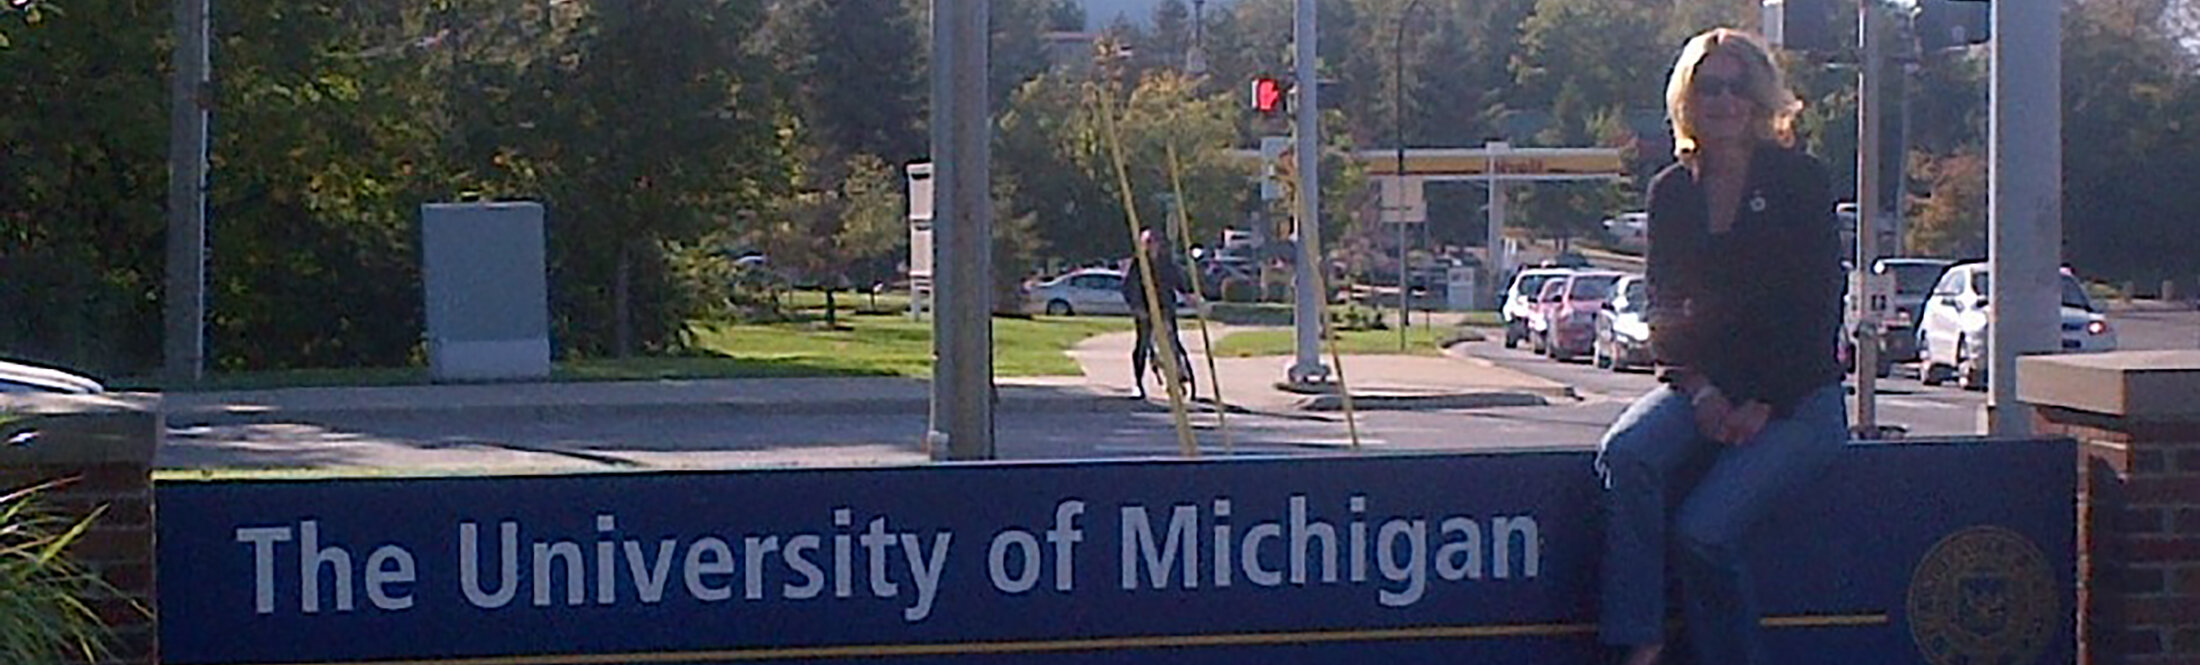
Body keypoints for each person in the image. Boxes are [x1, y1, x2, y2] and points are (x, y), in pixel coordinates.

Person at [1596, 28, 1848, 665]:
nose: (1725, 100)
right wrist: (1701, 391)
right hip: (1707, 388)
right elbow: (1663, 311)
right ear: (1688, 99)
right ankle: (1640, 640)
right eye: (1710, 87)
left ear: (1761, 98)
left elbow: (1815, 308)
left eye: (1738, 86)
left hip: (1800, 403)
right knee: (1626, 454)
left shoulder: (1801, 181)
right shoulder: (1671, 194)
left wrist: (1764, 401)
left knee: (1703, 531)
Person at [1123, 229, 1195, 400]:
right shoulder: (1138, 264)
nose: (1152, 246)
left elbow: (1177, 279)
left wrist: (1188, 293)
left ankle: (1183, 376)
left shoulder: (1166, 262)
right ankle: (1138, 383)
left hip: (1165, 306)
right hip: (1145, 309)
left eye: (1154, 242)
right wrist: (1137, 307)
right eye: (1148, 243)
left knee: (1173, 342)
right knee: (1143, 344)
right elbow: (1129, 287)